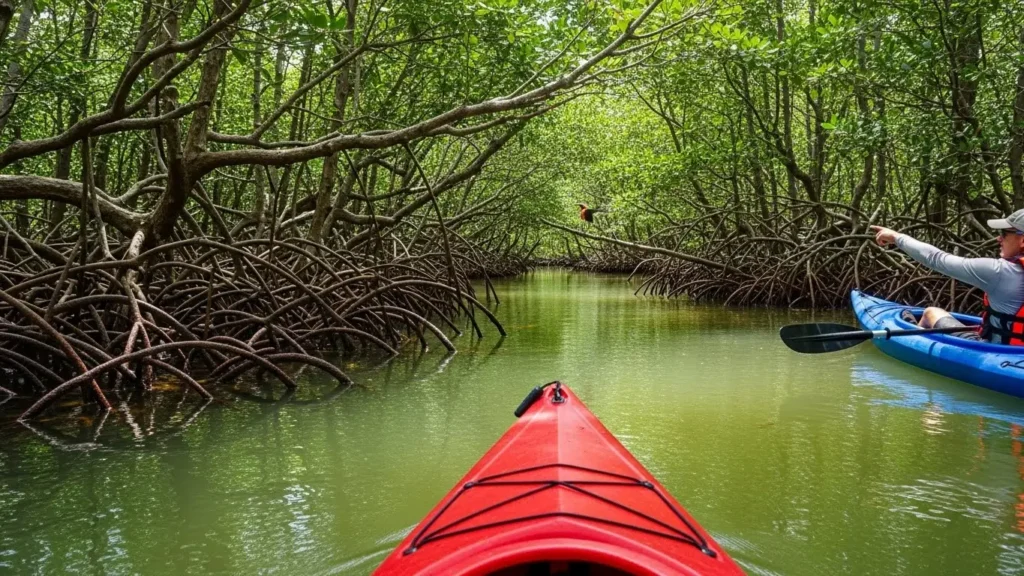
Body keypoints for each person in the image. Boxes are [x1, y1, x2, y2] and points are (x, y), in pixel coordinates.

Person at [870, 209, 1024, 345]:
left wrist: (897, 237)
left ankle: (915, 347)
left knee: (931, 312)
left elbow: (936, 259)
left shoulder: (998, 272)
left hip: (999, 352)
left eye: (1004, 234)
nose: (999, 239)